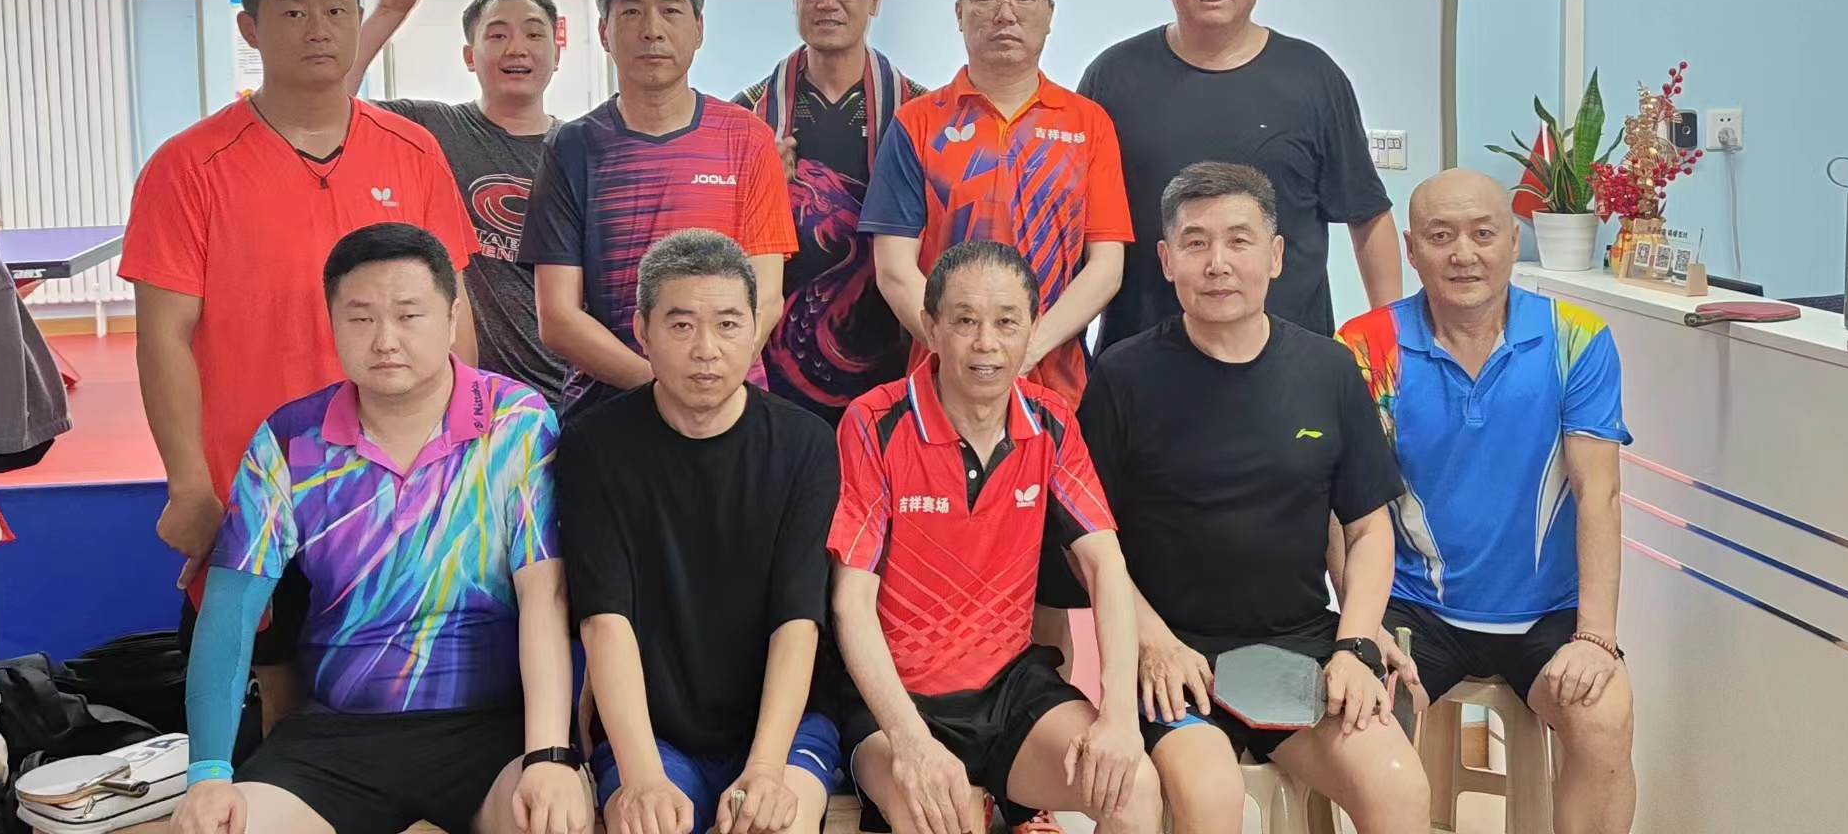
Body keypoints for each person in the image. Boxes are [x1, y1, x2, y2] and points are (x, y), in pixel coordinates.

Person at [125, 0, 480, 720]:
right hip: (257, 486)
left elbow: (452, 312)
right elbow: (163, 337)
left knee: (399, 701)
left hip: (397, 480)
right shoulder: (190, 166)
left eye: (335, 9)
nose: (318, 29)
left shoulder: (412, 152)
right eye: (292, 11)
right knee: (271, 703)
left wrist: (465, 447)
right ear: (249, 28)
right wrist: (188, 482)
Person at [171, 224, 589, 834]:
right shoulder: (290, 440)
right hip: (336, 736)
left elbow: (544, 597)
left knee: (552, 823)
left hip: (492, 730)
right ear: (332, 324)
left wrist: (548, 755)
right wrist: (208, 774)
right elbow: (230, 609)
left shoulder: (516, 423)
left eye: (408, 315)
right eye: (361, 318)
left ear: (452, 318)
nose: (385, 340)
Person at [1076, 163, 1428, 834]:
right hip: (1174, 658)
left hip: (1297, 650)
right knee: (1212, 797)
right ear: (1166, 260)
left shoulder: (1328, 369)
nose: (1218, 263)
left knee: (1398, 787)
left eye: (1239, 240)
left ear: (1275, 255)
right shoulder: (1123, 375)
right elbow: (1090, 544)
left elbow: (1368, 529)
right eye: (1196, 242)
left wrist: (1355, 643)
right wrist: (1151, 640)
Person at [829, 241, 1158, 834]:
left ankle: (1003, 794)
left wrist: (1118, 717)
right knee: (939, 817)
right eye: (965, 321)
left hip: (1009, 687)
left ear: (1033, 329)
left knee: (1132, 788)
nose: (986, 343)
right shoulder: (875, 423)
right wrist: (911, 742)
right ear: (931, 327)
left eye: (1007, 322)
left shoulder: (1051, 421)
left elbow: (1105, 565)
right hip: (900, 699)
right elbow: (851, 601)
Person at [1346, 169, 1636, 834]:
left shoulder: (1577, 339)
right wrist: (1359, 633)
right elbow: (1351, 512)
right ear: (1411, 249)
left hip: (1549, 614)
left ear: (1512, 242)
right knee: (1360, 726)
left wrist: (1596, 637)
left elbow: (1599, 492)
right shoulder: (1365, 347)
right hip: (1414, 610)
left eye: (1483, 234)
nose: (1464, 254)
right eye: (1440, 236)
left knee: (1604, 719)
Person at [559, 230, 842, 834]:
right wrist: (642, 776)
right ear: (642, 330)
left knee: (774, 826)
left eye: (728, 325)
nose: (706, 350)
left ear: (755, 328)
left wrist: (764, 768)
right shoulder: (593, 447)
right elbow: (604, 621)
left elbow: (798, 619)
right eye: (682, 325)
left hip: (781, 727)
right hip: (653, 733)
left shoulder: (806, 445)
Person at [1078, 0, 1401, 355]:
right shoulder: (1112, 78)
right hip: (1143, 361)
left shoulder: (1313, 77)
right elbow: (1079, 225)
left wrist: (1388, 342)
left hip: (1289, 360)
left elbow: (1367, 214)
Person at [525, 0, 798, 414]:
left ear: (698, 28)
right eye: (631, 12)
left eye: (670, 10)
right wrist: (664, 388)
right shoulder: (572, 147)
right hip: (611, 411)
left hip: (729, 410)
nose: (652, 30)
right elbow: (558, 318)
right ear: (604, 32)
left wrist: (706, 383)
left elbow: (766, 297)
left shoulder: (747, 138)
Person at [860, 0, 1129, 402]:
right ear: (959, 12)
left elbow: (1105, 267)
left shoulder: (1088, 124)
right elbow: (894, 269)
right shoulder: (917, 123)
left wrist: (1025, 352)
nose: (1006, 14)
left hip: (1057, 388)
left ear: (1049, 13)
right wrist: (961, 353)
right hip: (942, 383)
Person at [357, 0, 575, 396]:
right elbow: (332, 101)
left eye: (534, 34)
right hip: (467, 394)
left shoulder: (580, 148)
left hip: (571, 391)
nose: (517, 48)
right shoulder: (433, 130)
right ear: (469, 56)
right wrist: (387, 14)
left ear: (556, 54)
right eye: (497, 35)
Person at [735, 0, 926, 422]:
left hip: (894, 347)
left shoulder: (919, 110)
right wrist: (757, 185)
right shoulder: (749, 115)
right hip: (777, 356)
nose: (828, 2)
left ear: (874, 0)